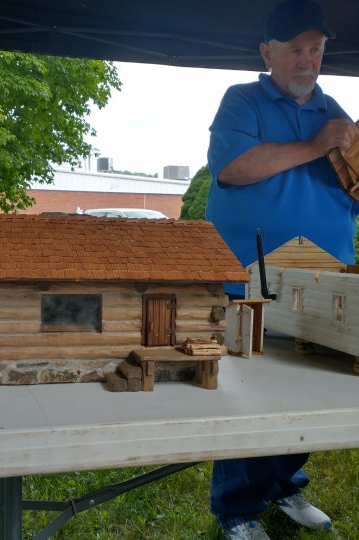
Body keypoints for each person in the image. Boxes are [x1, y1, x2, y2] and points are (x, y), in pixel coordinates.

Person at [205, 1, 359, 539]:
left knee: (311, 388)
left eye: (315, 49)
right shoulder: (242, 101)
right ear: (267, 52)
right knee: (247, 393)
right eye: (294, 49)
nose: (306, 61)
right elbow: (233, 167)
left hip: (324, 281)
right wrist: (315, 147)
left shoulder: (336, 112)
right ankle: (237, 509)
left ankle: (285, 484)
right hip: (249, 280)